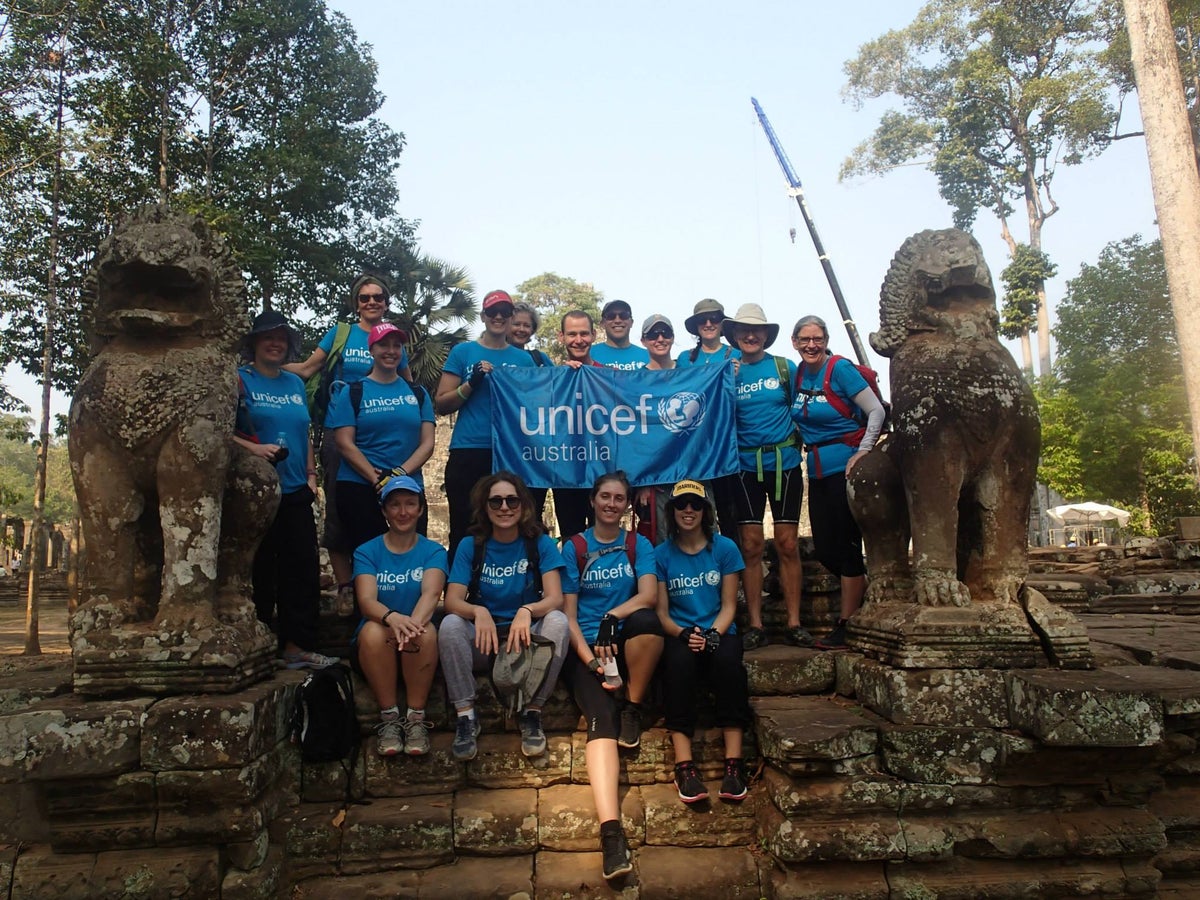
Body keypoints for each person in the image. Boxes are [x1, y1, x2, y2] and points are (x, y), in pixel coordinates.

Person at [286, 274, 411, 615]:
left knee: (392, 508)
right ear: (356, 302)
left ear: (387, 302)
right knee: (342, 508)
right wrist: (264, 368)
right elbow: (310, 368)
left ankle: (385, 586)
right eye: (365, 297)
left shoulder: (394, 341)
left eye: (378, 297)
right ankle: (346, 587)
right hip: (342, 432)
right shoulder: (341, 333)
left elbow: (409, 386)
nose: (372, 302)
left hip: (384, 435)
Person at [561, 471, 663, 880]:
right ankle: (611, 834)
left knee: (647, 623)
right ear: (592, 500)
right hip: (586, 648)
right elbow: (566, 616)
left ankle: (633, 706)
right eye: (605, 496)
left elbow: (648, 595)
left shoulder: (639, 545)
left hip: (623, 643)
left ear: (628, 504)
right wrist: (589, 661)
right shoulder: (575, 547)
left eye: (619, 498)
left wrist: (611, 616)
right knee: (601, 720)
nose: (611, 504)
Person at [439, 471, 570, 761]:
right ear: (484, 508)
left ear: (523, 504)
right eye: (495, 502)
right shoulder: (471, 545)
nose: (504, 508)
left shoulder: (540, 543)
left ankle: (532, 711)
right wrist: (477, 610)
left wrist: (527, 611)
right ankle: (466, 715)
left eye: (512, 500)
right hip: (484, 641)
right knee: (450, 626)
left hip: (525, 642)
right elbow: (452, 601)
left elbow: (555, 598)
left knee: (558, 622)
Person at [234, 310, 339, 670]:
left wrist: (312, 476)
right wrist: (254, 451)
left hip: (295, 488)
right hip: (255, 491)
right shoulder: (238, 381)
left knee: (302, 569)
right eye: (268, 337)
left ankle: (298, 646)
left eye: (281, 338)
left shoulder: (294, 384)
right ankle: (260, 645)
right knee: (259, 569)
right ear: (254, 343)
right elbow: (218, 431)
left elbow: (304, 431)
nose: (276, 343)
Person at [790, 316, 885, 650]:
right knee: (826, 548)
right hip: (815, 471)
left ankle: (846, 625)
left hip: (844, 467)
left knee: (845, 546)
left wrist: (864, 451)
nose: (811, 345)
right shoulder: (798, 374)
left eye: (817, 339)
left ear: (826, 339)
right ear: (794, 342)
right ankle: (866, 596)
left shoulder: (838, 369)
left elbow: (876, 411)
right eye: (805, 340)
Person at [655, 480, 750, 805]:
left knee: (728, 664)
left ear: (705, 510)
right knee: (677, 665)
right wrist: (683, 634)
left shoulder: (724, 549)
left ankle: (734, 765)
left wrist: (712, 635)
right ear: (672, 510)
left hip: (718, 629)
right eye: (681, 505)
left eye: (695, 505)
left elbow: (728, 606)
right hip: (680, 632)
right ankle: (685, 766)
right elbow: (663, 614)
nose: (688, 511)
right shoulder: (661, 555)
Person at [723, 303, 811, 651]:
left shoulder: (783, 368)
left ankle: (794, 622)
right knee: (751, 546)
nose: (750, 335)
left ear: (765, 334)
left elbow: (803, 408)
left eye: (756, 330)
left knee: (788, 544)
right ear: (734, 334)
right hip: (744, 467)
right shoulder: (727, 370)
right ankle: (756, 624)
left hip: (785, 462)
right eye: (743, 329)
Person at [435, 290, 537, 553]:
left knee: (509, 524)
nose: (499, 317)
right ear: (483, 316)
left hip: (510, 452)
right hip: (469, 449)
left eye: (505, 312)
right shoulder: (463, 351)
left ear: (512, 317)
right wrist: (471, 384)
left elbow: (535, 405)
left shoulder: (524, 359)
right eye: (493, 312)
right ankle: (460, 589)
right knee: (464, 525)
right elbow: (442, 403)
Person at [351, 476, 445, 756]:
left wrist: (411, 625)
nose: (403, 512)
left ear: (420, 509)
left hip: (415, 634)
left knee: (425, 632)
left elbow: (431, 594)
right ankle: (390, 719)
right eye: (395, 505)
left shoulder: (433, 551)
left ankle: (416, 719)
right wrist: (394, 618)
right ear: (384, 511)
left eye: (410, 504)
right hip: (380, 635)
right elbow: (367, 601)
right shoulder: (367, 551)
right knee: (372, 631)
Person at [325, 322, 435, 560]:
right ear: (371, 350)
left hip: (407, 484)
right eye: (384, 344)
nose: (391, 351)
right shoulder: (352, 392)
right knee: (368, 561)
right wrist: (378, 480)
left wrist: (398, 474)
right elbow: (344, 442)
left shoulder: (417, 393)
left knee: (412, 560)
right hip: (359, 485)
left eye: (397, 346)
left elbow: (427, 443)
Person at [554, 310, 605, 537]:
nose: (578, 340)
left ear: (593, 335)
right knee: (571, 539)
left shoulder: (610, 376)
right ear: (561, 337)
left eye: (584, 333)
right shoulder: (551, 378)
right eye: (572, 334)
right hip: (566, 474)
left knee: (604, 539)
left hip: (603, 474)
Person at [634, 314, 677, 545]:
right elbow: (633, 434)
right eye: (653, 334)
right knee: (658, 542)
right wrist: (642, 480)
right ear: (643, 340)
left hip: (691, 471)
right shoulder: (635, 380)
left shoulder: (688, 372)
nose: (660, 339)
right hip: (654, 480)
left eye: (665, 333)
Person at [676, 298, 740, 368]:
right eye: (702, 320)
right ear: (696, 325)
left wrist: (736, 376)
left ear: (721, 323)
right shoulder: (685, 359)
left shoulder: (736, 355)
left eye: (714, 318)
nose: (708, 324)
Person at [591, 299, 649, 370]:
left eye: (624, 315)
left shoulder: (648, 357)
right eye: (611, 316)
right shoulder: (589, 355)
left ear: (631, 322)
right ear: (602, 323)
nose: (617, 320)